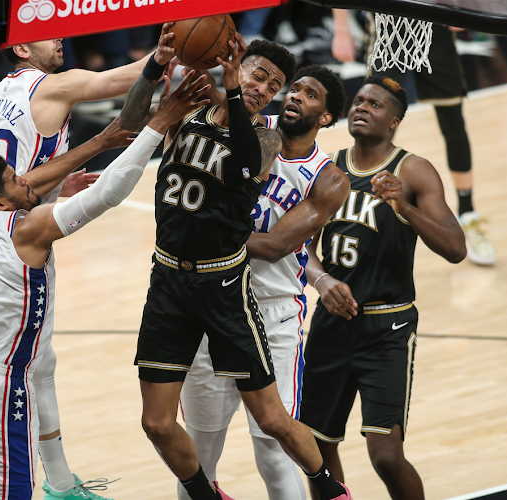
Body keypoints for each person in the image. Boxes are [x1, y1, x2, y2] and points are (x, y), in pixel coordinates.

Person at [0, 71, 211, 500]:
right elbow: (108, 193)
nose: (26, 179)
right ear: (0, 202)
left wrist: (48, 189)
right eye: (15, 180)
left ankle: (63, 484)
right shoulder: (27, 229)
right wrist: (157, 126)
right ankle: (61, 484)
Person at [120, 29, 351, 500]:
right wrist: (156, 65)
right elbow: (131, 123)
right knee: (196, 440)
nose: (269, 90)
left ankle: (328, 490)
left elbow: (273, 239)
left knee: (271, 437)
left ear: (325, 116)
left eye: (279, 85)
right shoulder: (192, 108)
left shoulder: (276, 146)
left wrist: (209, 236)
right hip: (180, 286)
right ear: (239, 66)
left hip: (252, 299)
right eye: (260, 76)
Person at [0, 27, 174, 500]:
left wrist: (44, 189)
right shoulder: (51, 85)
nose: (60, 39)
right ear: (22, 48)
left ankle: (59, 481)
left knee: (39, 360)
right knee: (26, 363)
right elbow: (119, 81)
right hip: (22, 233)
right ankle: (51, 485)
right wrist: (169, 56)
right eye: (46, 36)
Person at [178, 64, 350, 500]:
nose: (294, 97)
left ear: (326, 117)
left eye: (309, 95)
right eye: (293, 90)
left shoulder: (329, 178)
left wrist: (200, 228)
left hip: (272, 312)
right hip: (214, 299)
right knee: (198, 459)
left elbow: (274, 246)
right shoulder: (249, 127)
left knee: (274, 452)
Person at [300, 76, 466, 500]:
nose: (362, 107)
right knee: (317, 449)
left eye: (374, 104)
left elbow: (456, 248)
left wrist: (405, 208)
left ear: (394, 121)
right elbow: (298, 243)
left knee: (386, 456)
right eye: (358, 101)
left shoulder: (413, 170)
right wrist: (322, 280)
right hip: (331, 325)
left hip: (386, 328)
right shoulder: (327, 168)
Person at [332, 9, 496, 266]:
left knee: (453, 124)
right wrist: (341, 29)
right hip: (389, 26)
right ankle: (357, 219)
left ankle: (468, 213)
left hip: (436, 24)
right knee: (376, 129)